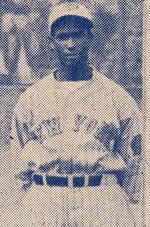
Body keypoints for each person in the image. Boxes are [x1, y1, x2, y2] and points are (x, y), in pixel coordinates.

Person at [8, 2, 143, 226]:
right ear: (52, 43)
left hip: (100, 197)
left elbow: (134, 164)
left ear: (90, 37)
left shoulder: (117, 98)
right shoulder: (31, 98)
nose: (70, 44)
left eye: (78, 35)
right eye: (62, 37)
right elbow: (18, 164)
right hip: (45, 197)